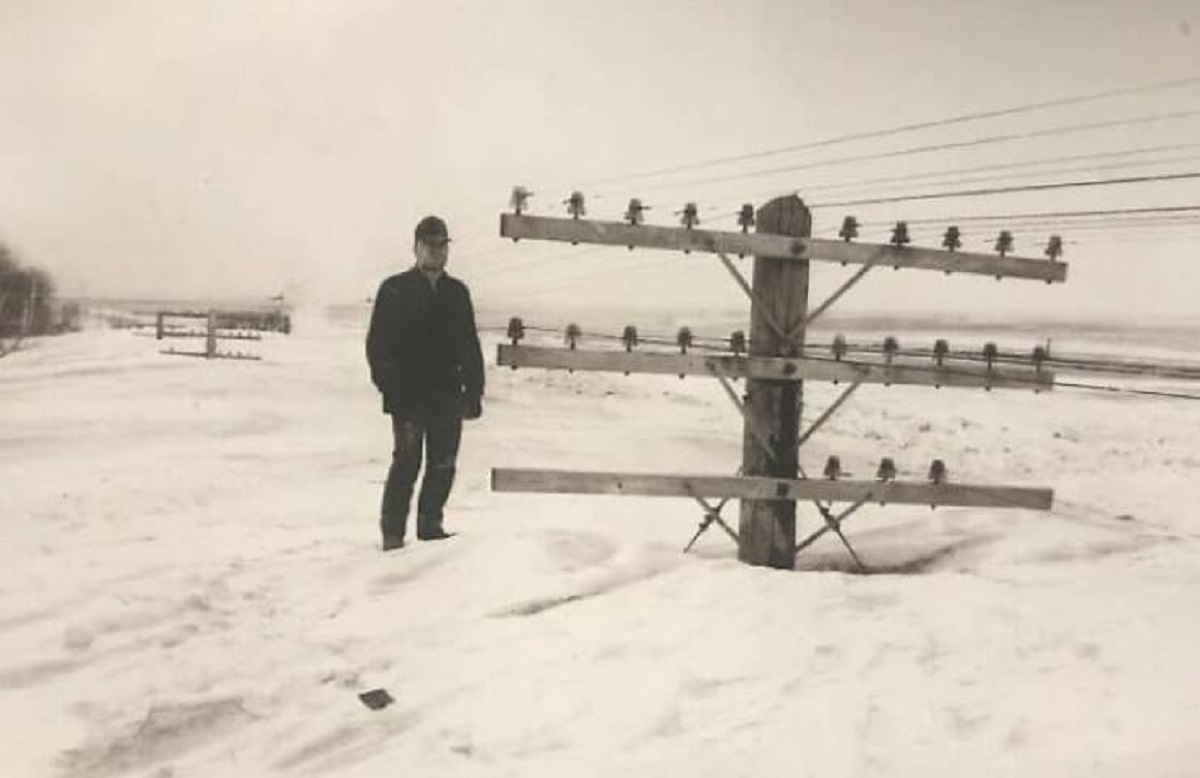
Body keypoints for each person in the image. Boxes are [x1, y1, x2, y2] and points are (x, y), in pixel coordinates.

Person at [366, 215, 484, 551]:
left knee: (443, 463)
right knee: (407, 462)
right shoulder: (395, 290)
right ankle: (392, 535)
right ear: (416, 248)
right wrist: (389, 387)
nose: (436, 252)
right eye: (429, 245)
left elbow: (468, 345)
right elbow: (377, 346)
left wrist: (473, 391)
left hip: (447, 396)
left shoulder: (457, 293)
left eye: (442, 245)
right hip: (409, 398)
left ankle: (430, 529)